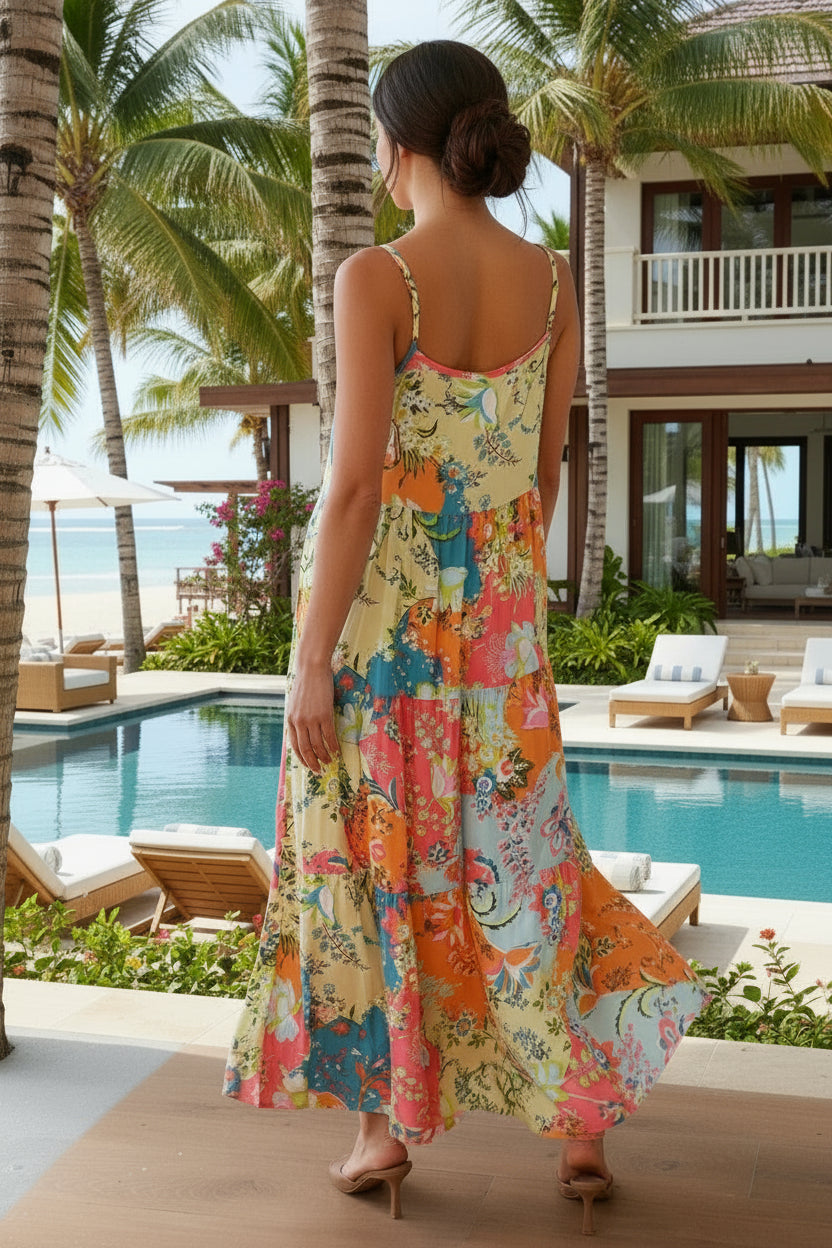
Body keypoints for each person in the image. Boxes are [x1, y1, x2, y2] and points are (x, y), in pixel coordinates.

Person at [223, 39, 707, 1235]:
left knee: (372, 874)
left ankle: (382, 1132)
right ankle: (579, 1132)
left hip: (382, 642)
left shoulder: (375, 275)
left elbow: (347, 493)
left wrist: (308, 661)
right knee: (524, 873)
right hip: (501, 638)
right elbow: (539, 479)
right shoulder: (552, 281)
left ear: (397, 146)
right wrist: (493, 611)